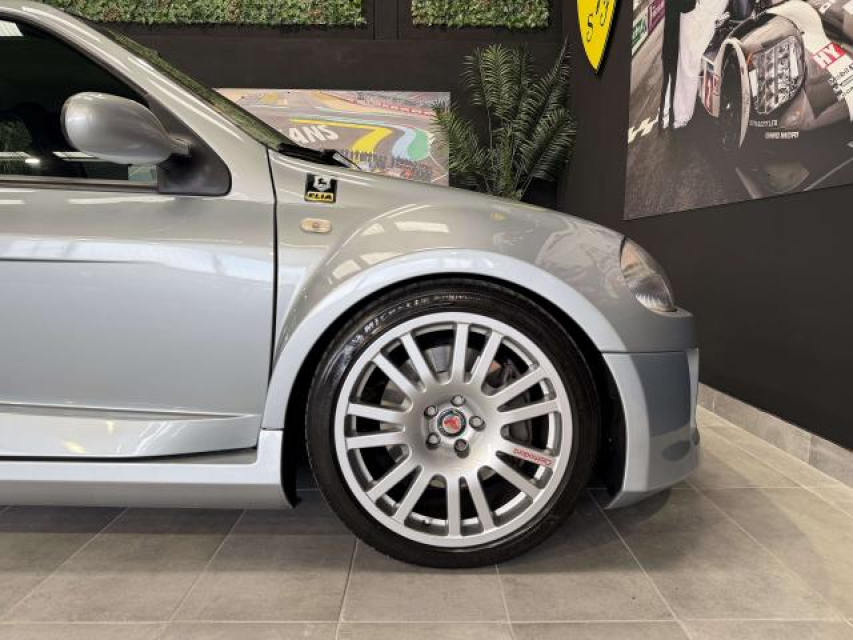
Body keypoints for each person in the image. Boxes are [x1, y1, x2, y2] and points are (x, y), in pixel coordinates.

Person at [672, 0, 730, 128]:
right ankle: (686, 110)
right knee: (691, 58)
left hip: (702, 9)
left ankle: (684, 112)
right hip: (702, 9)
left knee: (689, 60)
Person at [660, 0, 696, 130]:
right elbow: (688, 6)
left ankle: (663, 119)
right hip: (673, 49)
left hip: (668, 48)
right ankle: (668, 119)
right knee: (673, 83)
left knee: (667, 83)